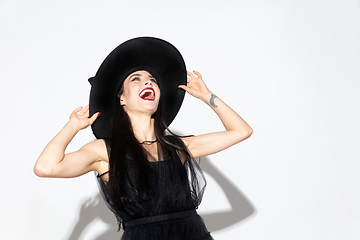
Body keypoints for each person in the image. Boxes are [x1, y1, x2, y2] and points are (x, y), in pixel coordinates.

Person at [34, 37, 253, 240]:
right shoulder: (104, 152)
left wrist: (207, 96)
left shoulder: (178, 147)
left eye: (152, 80)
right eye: (136, 79)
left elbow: (241, 131)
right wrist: (72, 126)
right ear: (122, 98)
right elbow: (46, 167)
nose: (148, 83)